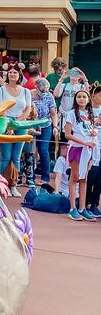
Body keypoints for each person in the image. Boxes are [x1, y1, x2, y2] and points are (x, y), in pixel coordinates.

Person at [0, 62, 32, 197]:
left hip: (21, 124)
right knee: (6, 156)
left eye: (15, 72)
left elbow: (27, 109)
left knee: (16, 157)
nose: (12, 74)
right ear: (7, 74)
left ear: (19, 75)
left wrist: (17, 124)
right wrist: (10, 126)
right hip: (6, 122)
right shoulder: (2, 89)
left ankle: (13, 184)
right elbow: (2, 108)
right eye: (10, 72)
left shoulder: (25, 91)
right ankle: (1, 184)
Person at [64, 89, 98, 221]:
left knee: (84, 178)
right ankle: (73, 208)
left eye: (84, 97)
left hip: (88, 150)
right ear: (75, 99)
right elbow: (67, 134)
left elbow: (91, 128)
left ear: (89, 99)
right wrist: (84, 141)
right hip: (77, 149)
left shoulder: (90, 114)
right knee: (75, 177)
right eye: (79, 97)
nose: (82, 99)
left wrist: (94, 132)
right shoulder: (71, 113)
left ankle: (82, 208)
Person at [31, 78, 58, 184]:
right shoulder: (29, 94)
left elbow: (53, 113)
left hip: (46, 125)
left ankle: (45, 178)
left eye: (46, 90)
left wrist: (55, 126)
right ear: (36, 87)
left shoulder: (49, 96)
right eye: (43, 90)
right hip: (32, 125)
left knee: (43, 151)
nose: (45, 92)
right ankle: (30, 176)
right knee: (30, 151)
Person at [54, 67, 90, 141]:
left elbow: (88, 96)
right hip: (63, 115)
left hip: (76, 116)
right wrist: (61, 79)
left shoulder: (81, 86)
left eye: (76, 73)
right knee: (63, 140)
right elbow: (56, 94)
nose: (74, 75)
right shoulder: (64, 85)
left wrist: (84, 78)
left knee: (74, 137)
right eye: (72, 72)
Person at [86, 84, 101, 217]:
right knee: (90, 176)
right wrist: (96, 122)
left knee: (99, 179)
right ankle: (85, 202)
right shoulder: (87, 110)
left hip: (100, 149)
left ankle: (95, 204)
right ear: (94, 96)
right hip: (89, 148)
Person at [18, 103, 37, 188]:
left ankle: (30, 179)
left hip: (31, 146)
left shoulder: (35, 120)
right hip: (22, 144)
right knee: (21, 162)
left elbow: (39, 132)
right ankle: (19, 178)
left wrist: (33, 131)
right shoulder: (21, 119)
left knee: (30, 162)